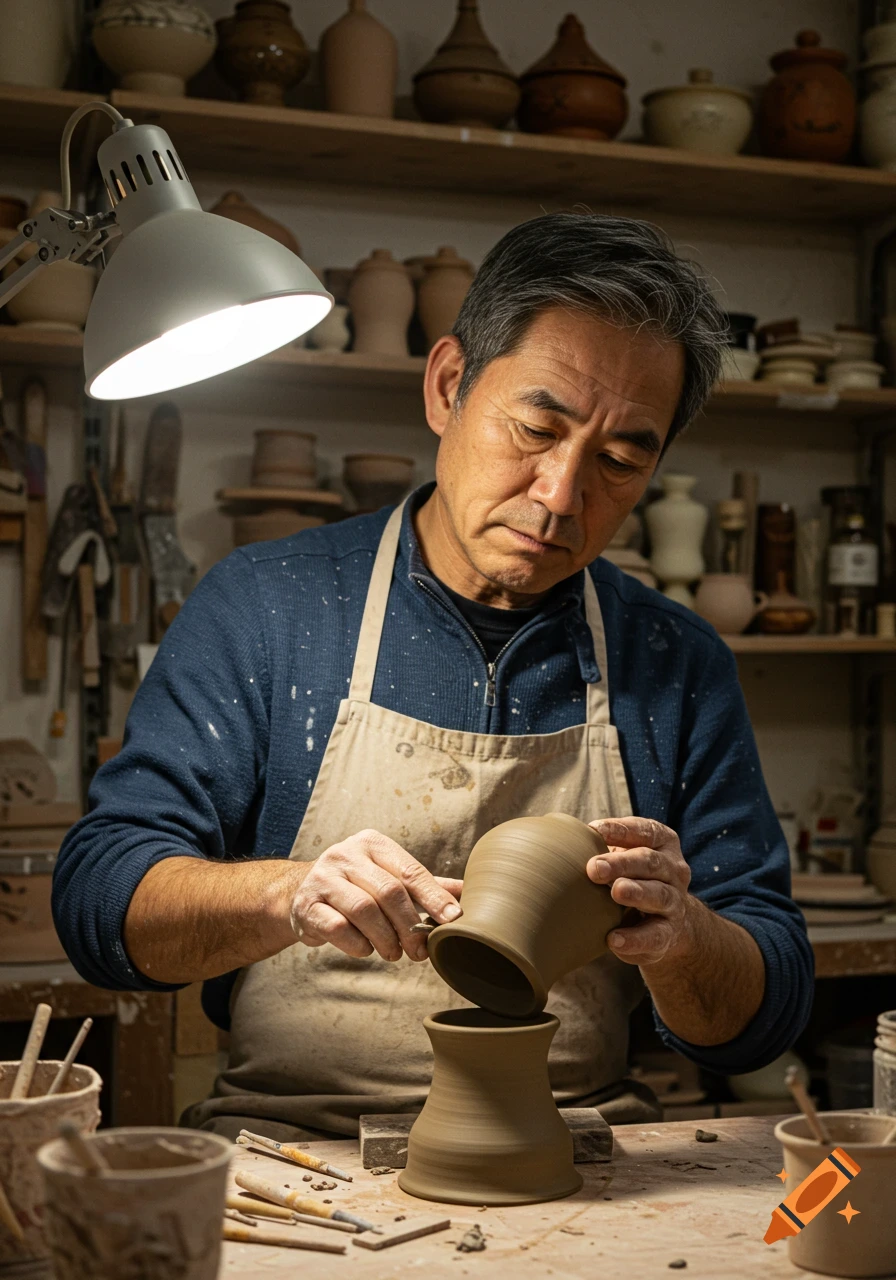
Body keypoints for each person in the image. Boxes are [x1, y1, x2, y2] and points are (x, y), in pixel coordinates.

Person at [54, 213, 813, 1138]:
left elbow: (763, 1017)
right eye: (538, 427)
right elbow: (101, 903)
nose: (562, 495)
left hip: (573, 1150)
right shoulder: (267, 607)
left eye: (618, 462)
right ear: (449, 385)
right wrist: (284, 894)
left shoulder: (675, 663)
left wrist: (684, 938)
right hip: (297, 1149)